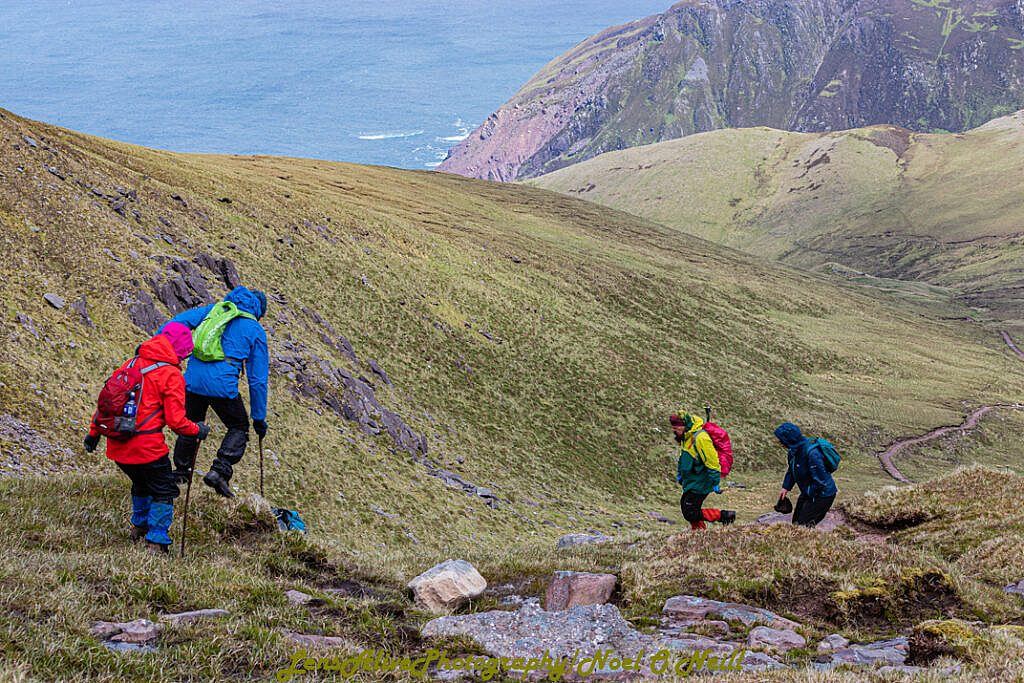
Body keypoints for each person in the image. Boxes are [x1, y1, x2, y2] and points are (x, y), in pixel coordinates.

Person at [84, 323, 210, 554]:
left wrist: (94, 433)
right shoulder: (170, 374)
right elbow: (176, 421)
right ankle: (156, 540)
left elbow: (108, 404)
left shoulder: (131, 363)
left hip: (118, 447)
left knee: (140, 483)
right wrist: (197, 430)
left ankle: (138, 527)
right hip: (147, 448)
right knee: (164, 490)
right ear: (179, 349)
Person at [165, 286, 269, 498]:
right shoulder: (254, 329)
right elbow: (257, 380)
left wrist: (159, 343)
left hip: (193, 379)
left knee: (191, 423)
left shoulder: (214, 311)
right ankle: (220, 471)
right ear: (259, 311)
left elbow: (177, 322)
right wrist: (259, 417)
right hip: (222, 386)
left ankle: (181, 473)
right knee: (238, 426)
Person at [671, 412, 736, 529]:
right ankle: (698, 533)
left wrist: (715, 481)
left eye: (676, 428)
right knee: (687, 506)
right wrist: (680, 474)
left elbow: (712, 462)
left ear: (684, 425)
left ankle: (724, 516)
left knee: (690, 511)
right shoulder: (686, 437)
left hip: (700, 481)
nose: (674, 431)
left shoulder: (700, 438)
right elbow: (684, 458)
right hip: (692, 481)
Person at [775, 422, 838, 527]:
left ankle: (811, 542)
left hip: (823, 495)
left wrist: (808, 493)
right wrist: (786, 487)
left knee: (803, 525)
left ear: (789, 440)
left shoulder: (812, 454)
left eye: (781, 440)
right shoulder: (793, 451)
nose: (780, 442)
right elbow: (792, 469)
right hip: (808, 493)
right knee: (796, 524)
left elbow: (821, 482)